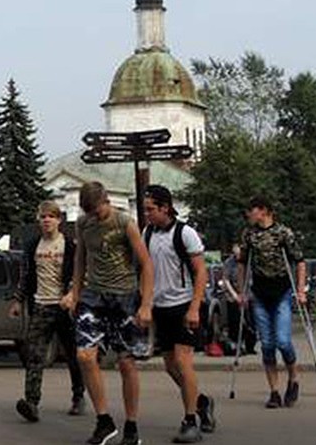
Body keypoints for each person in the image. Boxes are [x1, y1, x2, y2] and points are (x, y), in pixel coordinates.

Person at [64, 181, 154, 445]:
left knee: (126, 362)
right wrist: (75, 293)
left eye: (96, 211)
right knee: (84, 355)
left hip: (124, 297)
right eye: (88, 212)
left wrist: (146, 303)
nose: (93, 216)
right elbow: (80, 259)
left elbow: (146, 264)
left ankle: (132, 425)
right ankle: (104, 421)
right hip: (93, 297)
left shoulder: (124, 223)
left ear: (106, 201)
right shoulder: (83, 224)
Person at [140, 186, 215, 443]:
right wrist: (145, 304)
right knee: (170, 367)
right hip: (160, 307)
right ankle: (202, 402)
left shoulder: (185, 233)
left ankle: (190, 421)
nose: (147, 213)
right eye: (145, 209)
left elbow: (201, 272)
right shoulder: (147, 233)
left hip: (183, 306)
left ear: (165, 207)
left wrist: (195, 307)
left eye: (150, 209)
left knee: (183, 362)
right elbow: (146, 271)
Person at [10, 200, 85, 423]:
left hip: (65, 308)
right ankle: (31, 402)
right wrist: (17, 300)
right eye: (43, 217)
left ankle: (78, 395)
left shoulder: (69, 246)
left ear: (59, 220)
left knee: (73, 354)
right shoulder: (33, 245)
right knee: (34, 355)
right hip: (40, 305)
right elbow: (25, 276)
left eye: (51, 217)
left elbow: (78, 274)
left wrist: (72, 295)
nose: (46, 220)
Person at [237, 195, 306, 409]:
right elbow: (242, 263)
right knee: (267, 345)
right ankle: (274, 391)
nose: (249, 214)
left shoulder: (283, 233)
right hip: (259, 293)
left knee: (283, 341)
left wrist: (301, 290)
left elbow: (299, 261)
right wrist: (242, 291)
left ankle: (293, 378)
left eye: (252, 210)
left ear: (264, 211)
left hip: (282, 292)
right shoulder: (249, 235)